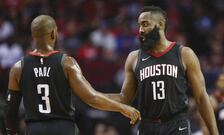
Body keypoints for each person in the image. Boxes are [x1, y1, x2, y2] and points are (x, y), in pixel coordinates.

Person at [5, 15, 140, 135]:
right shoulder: (67, 63)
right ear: (53, 34)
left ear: (33, 35)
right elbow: (91, 98)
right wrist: (121, 107)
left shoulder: (18, 68)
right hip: (62, 128)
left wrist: (12, 132)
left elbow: (10, 110)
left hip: (35, 128)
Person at [105, 6, 219, 135]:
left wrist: (215, 133)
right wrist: (93, 96)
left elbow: (201, 97)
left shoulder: (184, 54)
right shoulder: (134, 58)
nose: (140, 30)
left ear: (160, 24)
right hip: (147, 126)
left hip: (176, 125)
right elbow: (124, 99)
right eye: (139, 26)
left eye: (145, 24)